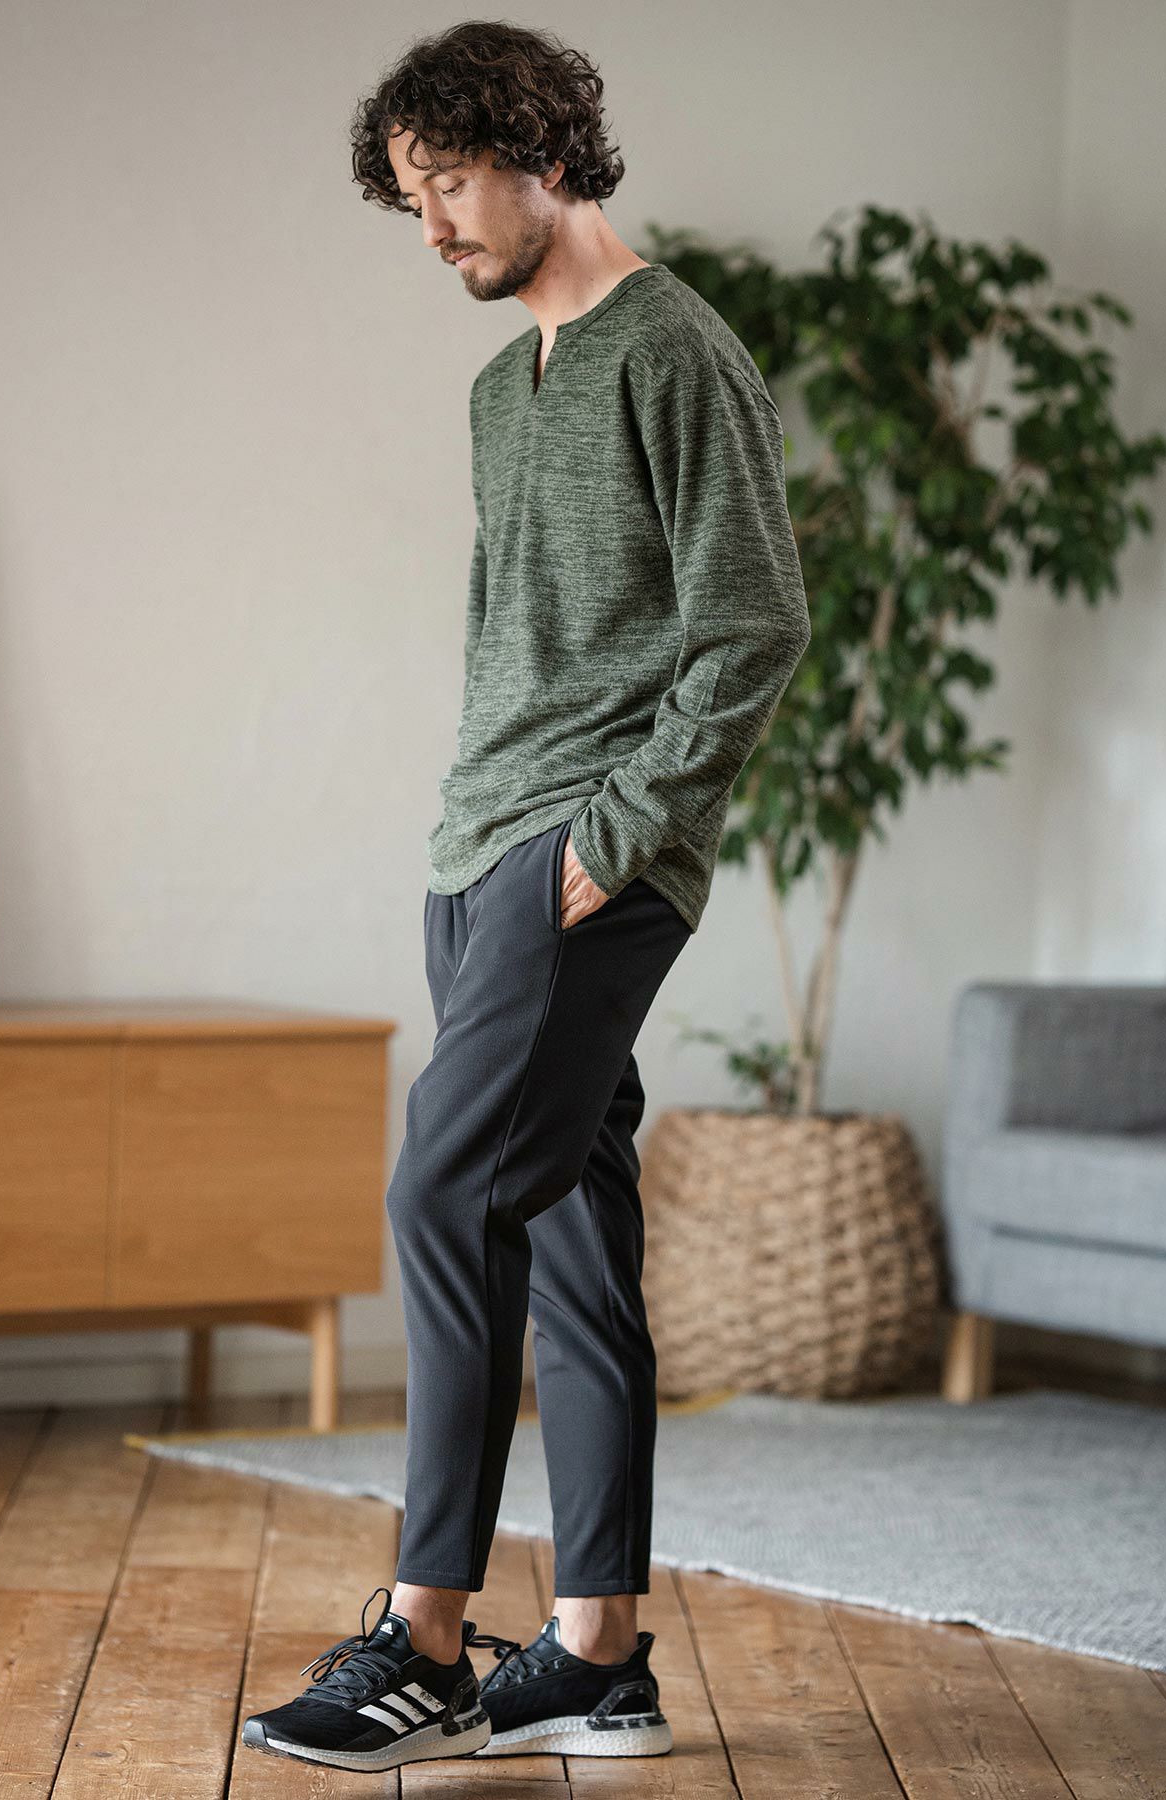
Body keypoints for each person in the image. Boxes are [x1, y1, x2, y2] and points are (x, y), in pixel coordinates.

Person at [241, 18, 811, 1773]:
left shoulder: (675, 348)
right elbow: (519, 642)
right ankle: (595, 1655)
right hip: (481, 851)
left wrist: (608, 841)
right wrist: (480, 847)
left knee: (444, 1188)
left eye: (449, 184)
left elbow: (753, 626)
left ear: (544, 154)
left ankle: (425, 1635)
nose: (429, 227)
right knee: (568, 1229)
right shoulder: (504, 388)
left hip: (583, 862)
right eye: (408, 198)